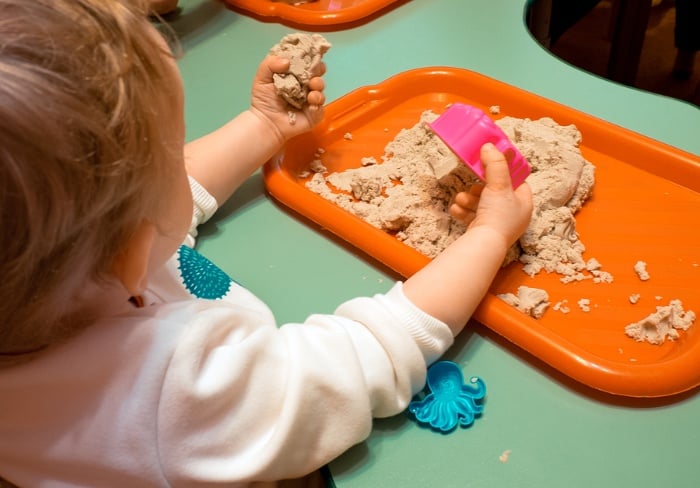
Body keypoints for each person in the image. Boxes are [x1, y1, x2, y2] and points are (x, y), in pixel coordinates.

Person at [0, 0, 533, 486]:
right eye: (172, 153)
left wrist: (264, 126)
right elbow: (361, 358)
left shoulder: (57, 282)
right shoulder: (172, 397)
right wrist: (489, 236)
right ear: (129, 251)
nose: (184, 162)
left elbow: (157, 213)